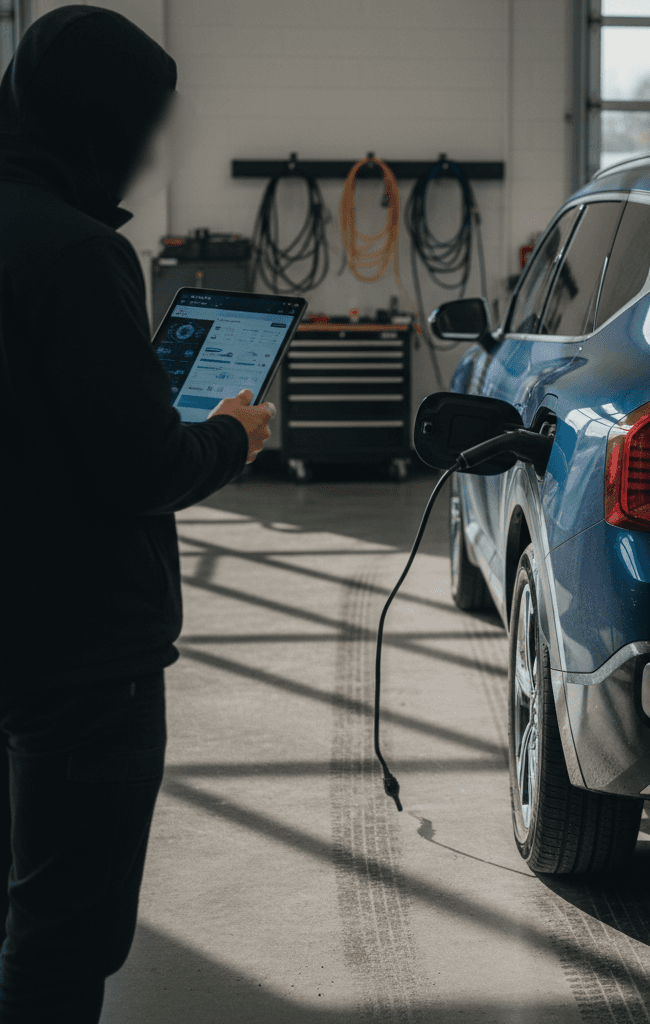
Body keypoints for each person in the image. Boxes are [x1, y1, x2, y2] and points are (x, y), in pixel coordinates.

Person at [0, 7, 275, 1021]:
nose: (149, 152)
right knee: (66, 934)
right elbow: (142, 465)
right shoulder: (77, 254)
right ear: (96, 119)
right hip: (82, 658)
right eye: (142, 126)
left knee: (14, 907)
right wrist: (234, 435)